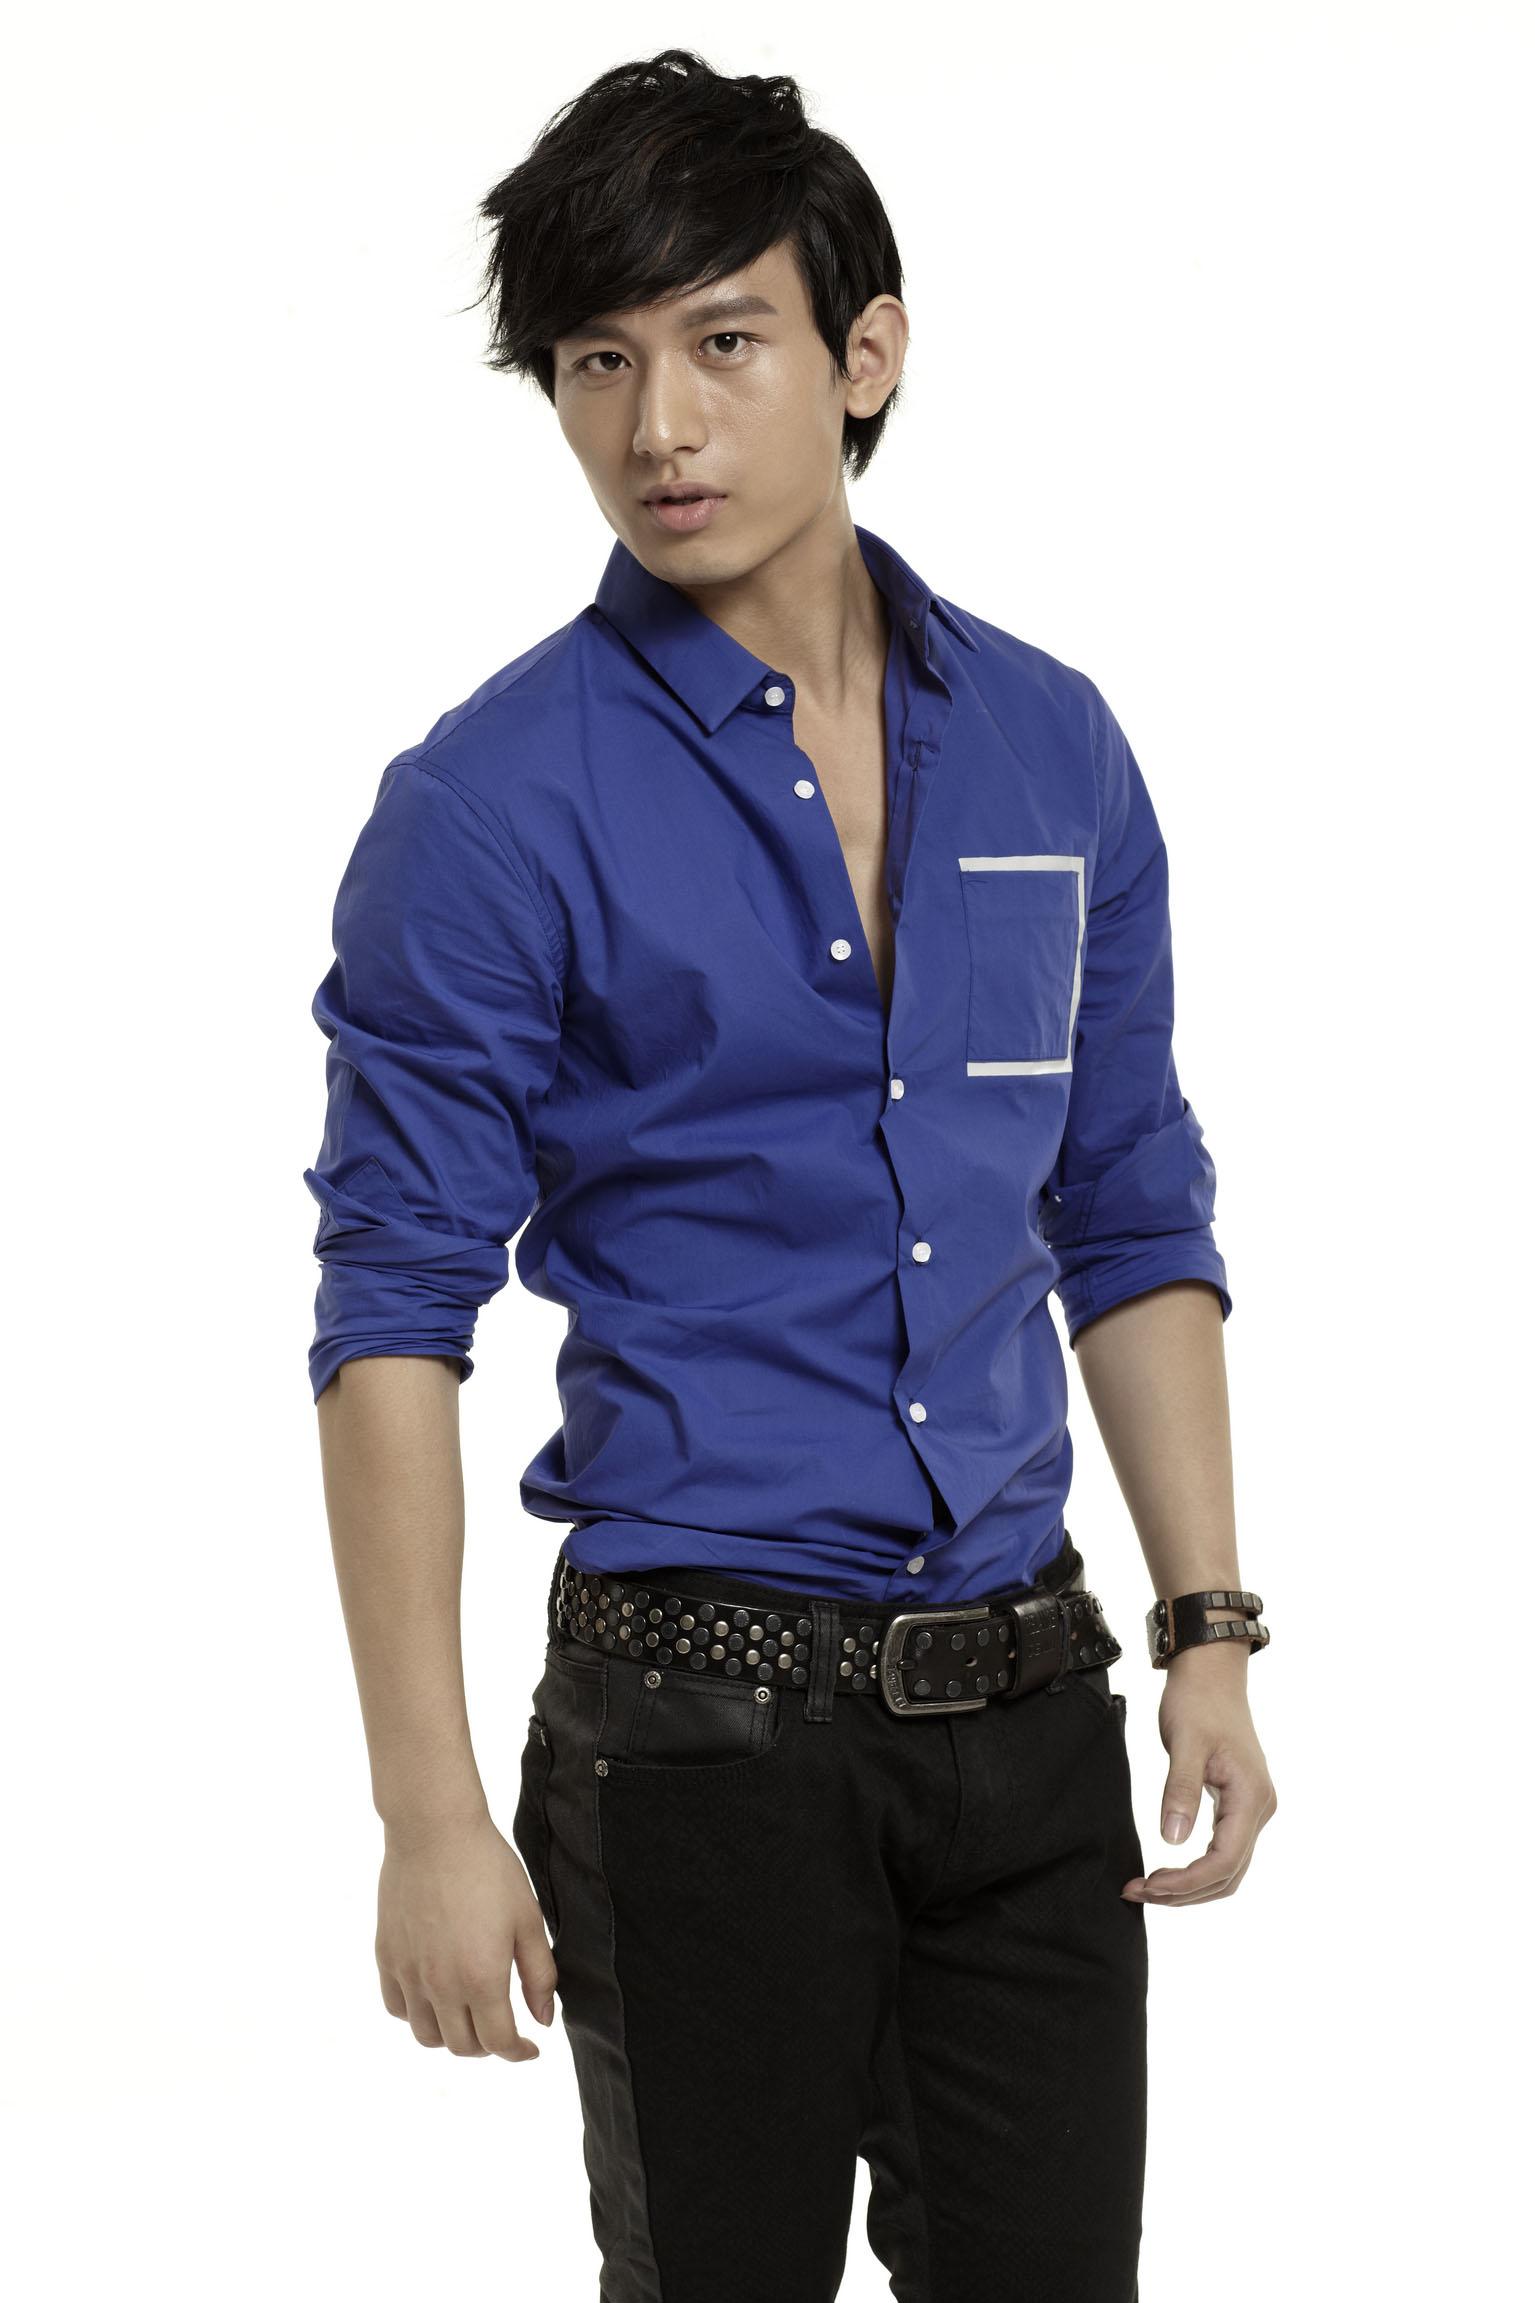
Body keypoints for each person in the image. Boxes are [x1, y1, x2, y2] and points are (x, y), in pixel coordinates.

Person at [303, 46, 1277, 2303]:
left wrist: (1208, 1629)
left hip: (1032, 1715)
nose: (658, 427)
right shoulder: (488, 806)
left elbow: (1128, 1197)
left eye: (724, 343)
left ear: (865, 354)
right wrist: (428, 1813)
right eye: (596, 363)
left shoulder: (1050, 743)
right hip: (698, 1737)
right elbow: (391, 1318)